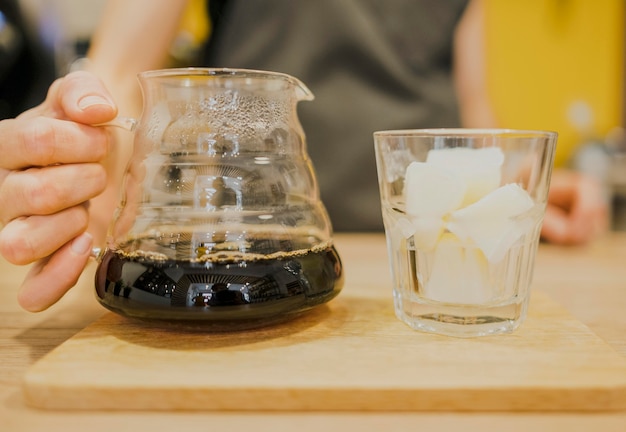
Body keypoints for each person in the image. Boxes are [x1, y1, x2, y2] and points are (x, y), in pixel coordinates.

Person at [0, 0, 607, 312]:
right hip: (236, 242)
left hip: (422, 271)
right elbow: (114, 75)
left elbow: (474, 118)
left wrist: (520, 187)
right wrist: (80, 156)